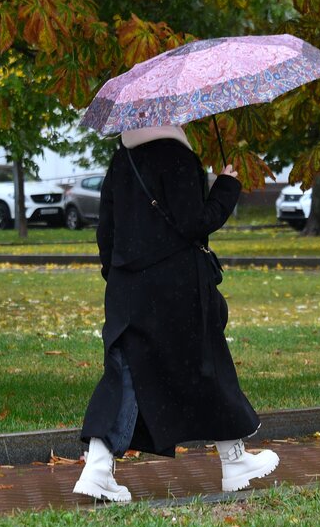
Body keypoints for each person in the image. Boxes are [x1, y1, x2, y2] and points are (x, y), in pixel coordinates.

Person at [73, 124, 279, 502]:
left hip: (127, 286)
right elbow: (194, 224)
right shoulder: (177, 156)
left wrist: (120, 277)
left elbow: (107, 233)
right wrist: (226, 187)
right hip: (178, 287)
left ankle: (99, 467)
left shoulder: (122, 160)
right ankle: (234, 461)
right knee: (207, 365)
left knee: (127, 372)